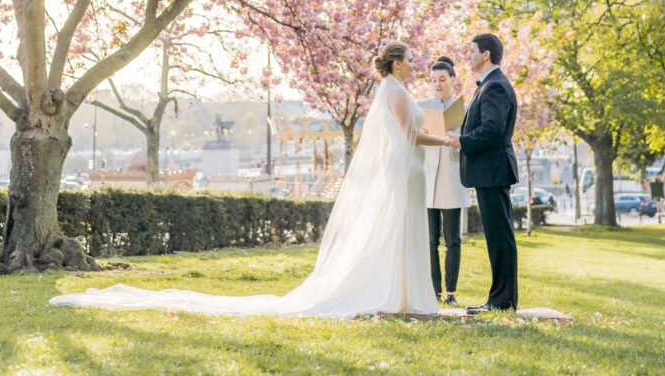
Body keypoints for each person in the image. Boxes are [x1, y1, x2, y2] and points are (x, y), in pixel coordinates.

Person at [50, 41, 454, 318]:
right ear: (396, 62)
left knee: (404, 228)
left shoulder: (392, 88)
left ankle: (404, 294)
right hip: (407, 165)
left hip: (407, 167)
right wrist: (448, 139)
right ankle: (401, 294)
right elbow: (408, 135)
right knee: (402, 228)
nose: (415, 64)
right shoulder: (397, 92)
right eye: (410, 60)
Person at [447, 32, 519, 313]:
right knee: (497, 237)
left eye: (471, 51)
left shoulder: (496, 86)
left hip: (493, 171)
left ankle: (501, 301)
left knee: (500, 237)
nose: (468, 56)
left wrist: (461, 141)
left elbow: (491, 130)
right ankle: (500, 300)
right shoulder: (488, 85)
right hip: (490, 172)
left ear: (486, 54)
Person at [418, 55, 470, 306]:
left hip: (451, 179)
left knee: (453, 240)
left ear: (452, 80)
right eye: (433, 80)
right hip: (427, 180)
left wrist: (454, 139)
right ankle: (433, 290)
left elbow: (470, 143)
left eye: (442, 79)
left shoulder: (463, 110)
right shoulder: (422, 107)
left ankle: (450, 293)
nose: (437, 84)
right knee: (430, 240)